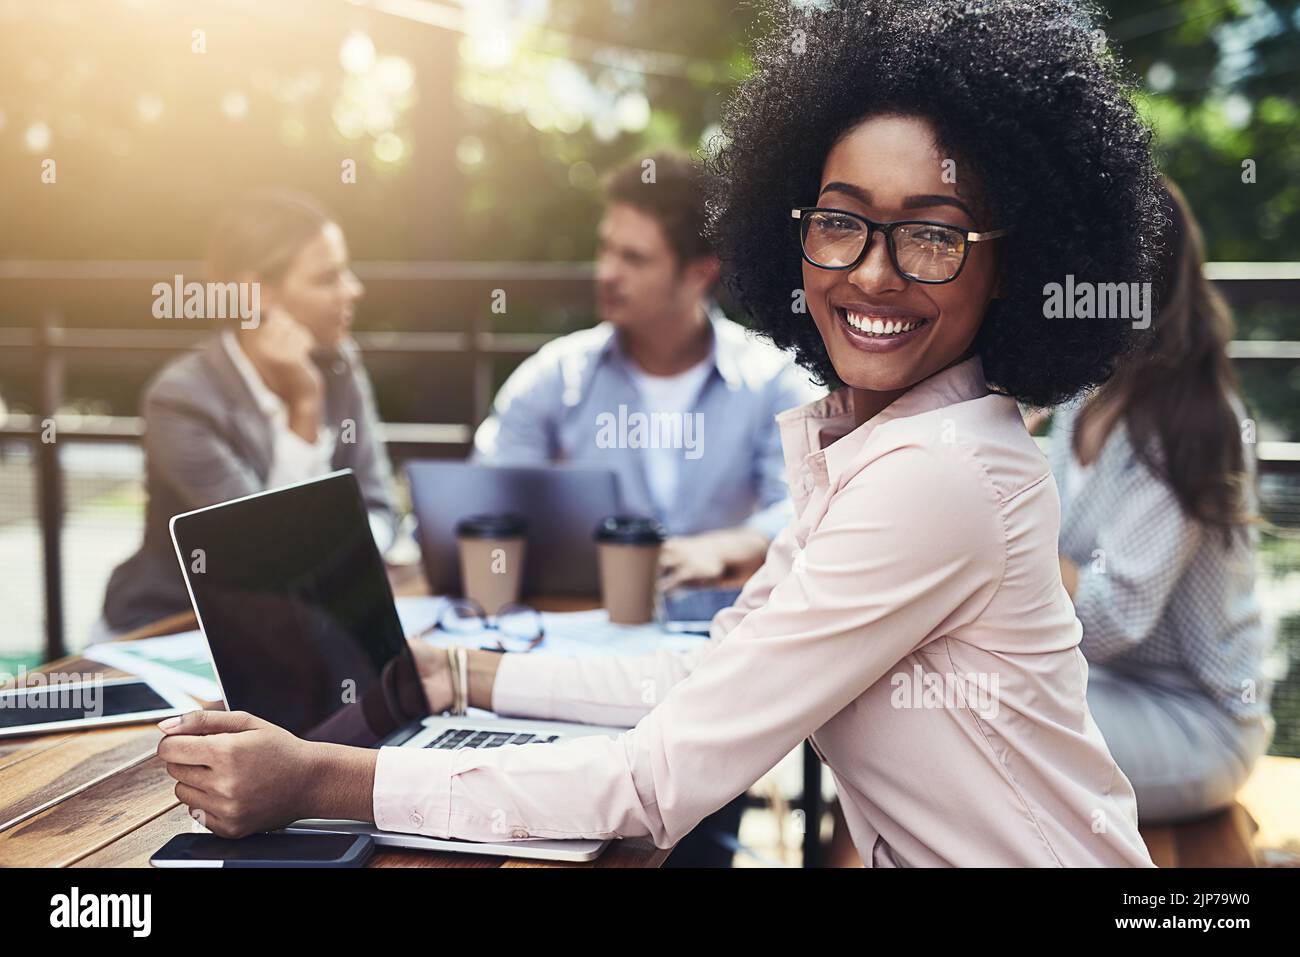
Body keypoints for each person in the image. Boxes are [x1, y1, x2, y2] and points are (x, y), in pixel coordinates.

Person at [158, 0, 1163, 866]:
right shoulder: (879, 443)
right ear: (793, 232)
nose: (870, 273)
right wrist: (460, 673)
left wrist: (315, 782)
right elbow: (708, 671)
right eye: (840, 220)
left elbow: (650, 787)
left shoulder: (934, 477)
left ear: (1011, 266)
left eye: (933, 234)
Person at [471, 152, 823, 591]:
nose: (607, 273)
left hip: (721, 622)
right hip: (583, 621)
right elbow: (487, 497)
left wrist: (728, 546)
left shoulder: (773, 380)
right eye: (606, 249)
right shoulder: (556, 375)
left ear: (697, 274)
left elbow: (809, 508)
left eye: (634, 259)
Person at [1043, 180, 1274, 824]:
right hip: (1103, 687)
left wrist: (998, 534)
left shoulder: (1195, 422)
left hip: (1197, 719)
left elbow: (1110, 618)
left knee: (980, 727)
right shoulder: (1080, 394)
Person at [101, 190, 397, 635]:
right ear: (256, 293)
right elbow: (264, 555)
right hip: (173, 630)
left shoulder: (340, 363)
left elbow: (378, 504)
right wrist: (305, 407)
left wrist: (339, 562)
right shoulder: (180, 399)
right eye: (327, 278)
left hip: (297, 623)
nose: (353, 290)